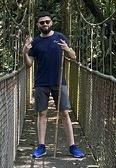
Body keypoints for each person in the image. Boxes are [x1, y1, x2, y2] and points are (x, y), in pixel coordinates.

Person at [23, 13, 84, 159]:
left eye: (47, 22)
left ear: (52, 22)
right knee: (42, 113)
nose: (45, 24)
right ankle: (41, 146)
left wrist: (67, 49)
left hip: (59, 81)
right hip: (41, 83)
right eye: (42, 22)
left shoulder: (60, 37)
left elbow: (74, 57)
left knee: (64, 113)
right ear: (38, 25)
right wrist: (25, 53)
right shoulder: (36, 42)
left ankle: (72, 146)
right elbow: (28, 65)